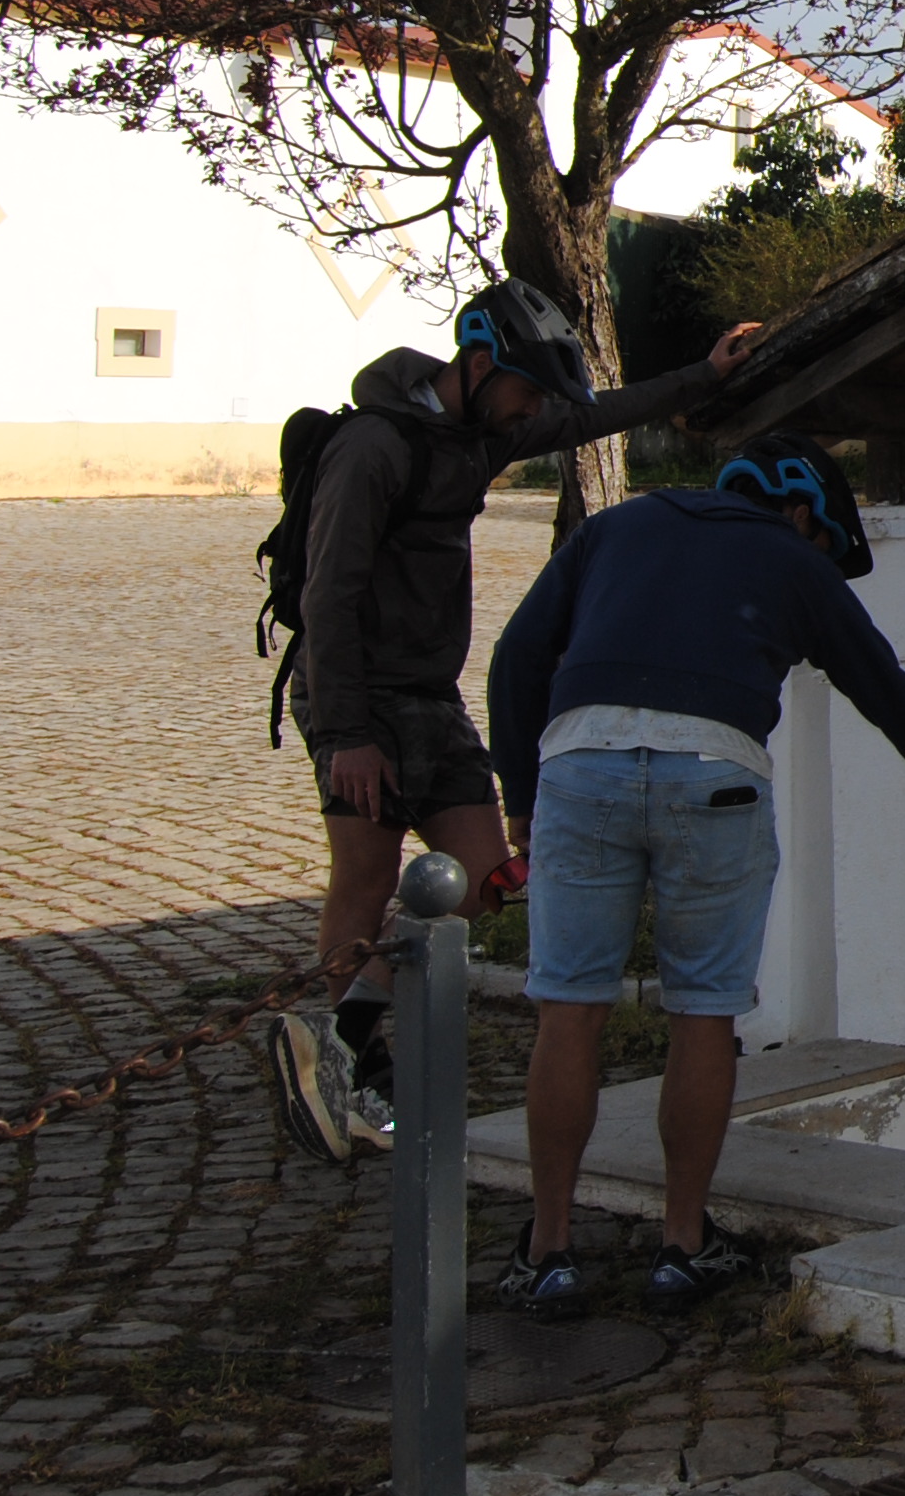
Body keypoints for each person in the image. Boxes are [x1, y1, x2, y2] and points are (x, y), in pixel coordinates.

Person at [483, 433, 905, 1314]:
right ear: (800, 513)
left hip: (581, 767)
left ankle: (549, 1250)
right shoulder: (793, 562)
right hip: (714, 777)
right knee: (704, 1013)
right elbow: (894, 699)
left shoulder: (618, 525)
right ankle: (682, 1246)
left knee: (569, 1009)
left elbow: (516, 658)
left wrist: (523, 798)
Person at [257, 281, 765, 1164]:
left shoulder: (478, 433)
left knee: (489, 879)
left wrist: (702, 375)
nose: (533, 412)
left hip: (428, 695)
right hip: (355, 697)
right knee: (369, 873)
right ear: (481, 365)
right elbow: (326, 595)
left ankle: (333, 1033)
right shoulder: (375, 447)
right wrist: (345, 735)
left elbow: (589, 418)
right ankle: (335, 1067)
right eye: (527, 391)